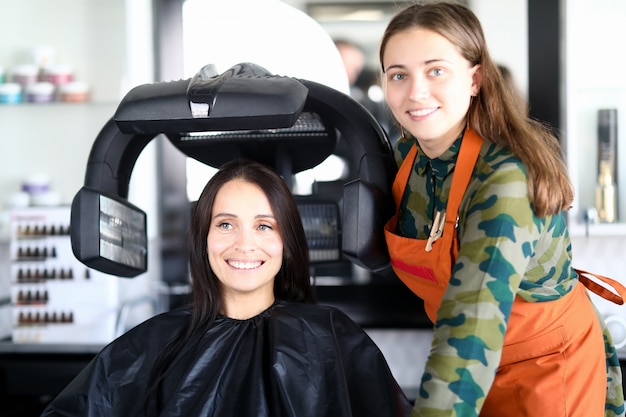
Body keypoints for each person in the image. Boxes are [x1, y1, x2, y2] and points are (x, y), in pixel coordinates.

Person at [379, 2, 626, 417]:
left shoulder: (505, 180)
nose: (415, 92)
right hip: (475, 368)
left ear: (474, 79)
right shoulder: (408, 158)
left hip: (548, 370)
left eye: (435, 70)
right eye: (398, 75)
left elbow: (471, 320)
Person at [41, 160, 411, 417]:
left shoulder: (332, 337)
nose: (244, 245)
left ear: (288, 241)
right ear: (203, 238)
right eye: (225, 225)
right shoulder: (153, 346)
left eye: (264, 226)